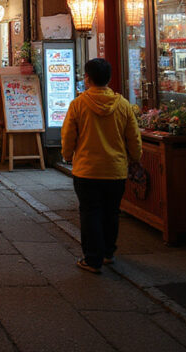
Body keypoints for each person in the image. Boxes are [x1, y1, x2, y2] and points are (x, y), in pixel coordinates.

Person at [61, 58, 142, 274]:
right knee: (111, 212)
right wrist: (135, 158)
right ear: (109, 78)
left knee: (90, 213)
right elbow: (133, 137)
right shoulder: (123, 105)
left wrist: (67, 155)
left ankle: (92, 259)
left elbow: (68, 135)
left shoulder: (78, 104)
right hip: (115, 170)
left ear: (87, 78)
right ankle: (108, 253)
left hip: (87, 169)